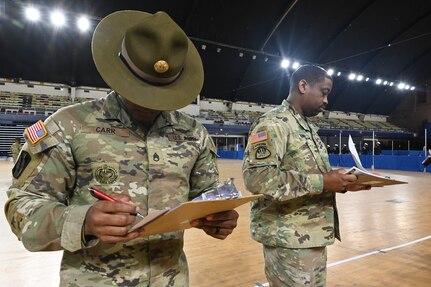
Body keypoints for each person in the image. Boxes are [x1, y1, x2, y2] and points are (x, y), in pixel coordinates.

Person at [5, 10, 238, 287]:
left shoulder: (193, 134)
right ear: (120, 70)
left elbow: (206, 196)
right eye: (141, 88)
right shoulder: (68, 126)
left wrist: (218, 217)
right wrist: (84, 220)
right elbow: (21, 207)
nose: (149, 102)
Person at [242, 65, 370, 286]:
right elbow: (258, 178)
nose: (326, 100)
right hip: (288, 240)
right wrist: (323, 181)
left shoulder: (307, 127)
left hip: (311, 236)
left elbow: (315, 177)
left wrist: (341, 182)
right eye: (324, 92)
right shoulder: (274, 124)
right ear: (303, 86)